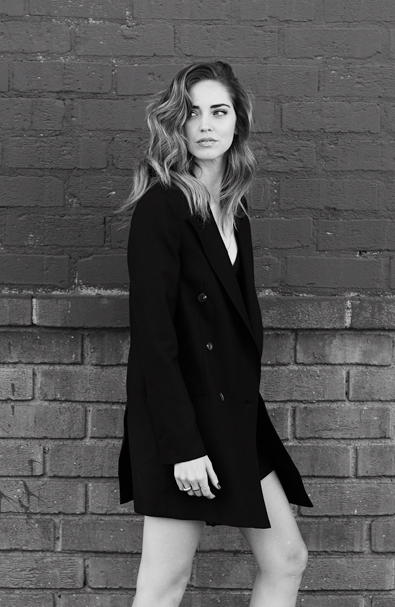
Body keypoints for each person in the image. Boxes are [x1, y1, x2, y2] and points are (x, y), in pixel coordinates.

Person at [118, 61, 313, 607]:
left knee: (286, 559)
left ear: (237, 122)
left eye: (219, 111)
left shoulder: (234, 208)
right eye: (192, 113)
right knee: (164, 582)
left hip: (233, 411)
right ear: (175, 124)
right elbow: (154, 339)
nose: (205, 125)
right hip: (180, 421)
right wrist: (182, 447)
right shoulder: (161, 207)